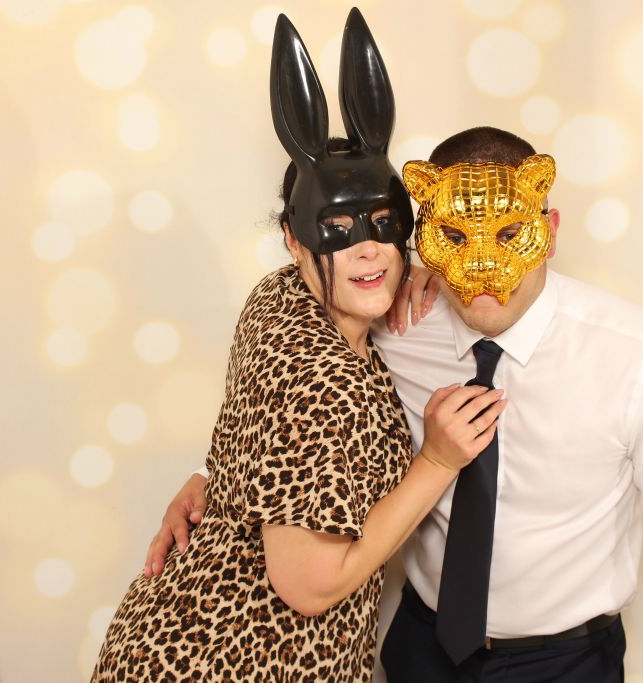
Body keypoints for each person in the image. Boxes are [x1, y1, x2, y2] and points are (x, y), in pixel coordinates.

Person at [150, 126, 643, 683]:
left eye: (508, 234)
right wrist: (217, 473)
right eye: (455, 238)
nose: (482, 266)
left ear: (551, 229)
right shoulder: (394, 321)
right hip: (421, 648)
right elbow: (294, 374)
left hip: (564, 663)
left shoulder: (642, 359)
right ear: (425, 236)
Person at [91, 12, 505, 683]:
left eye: (383, 225)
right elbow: (310, 586)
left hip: (166, 632)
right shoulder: (324, 379)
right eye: (337, 229)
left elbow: (266, 435)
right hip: (240, 662)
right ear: (294, 238)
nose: (367, 249)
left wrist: (216, 478)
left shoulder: (277, 296)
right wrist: (435, 460)